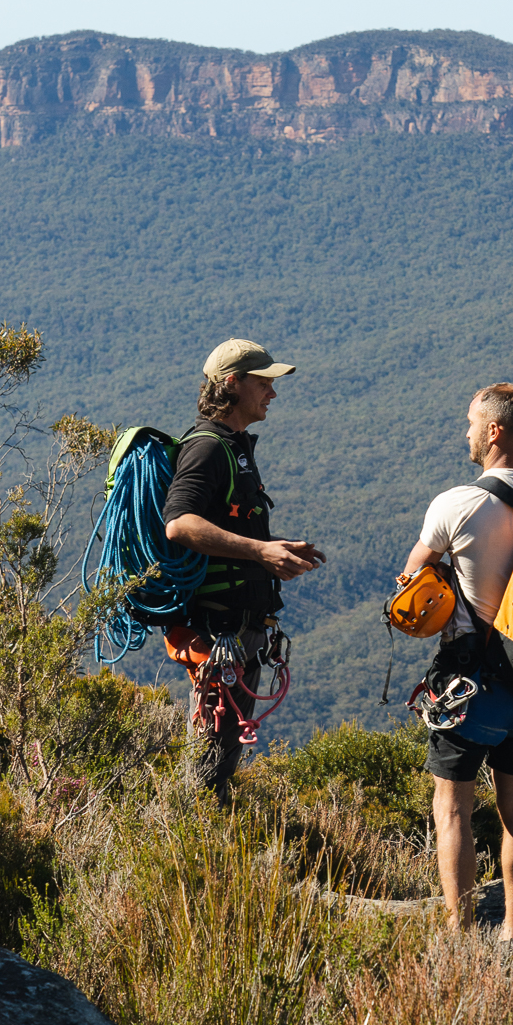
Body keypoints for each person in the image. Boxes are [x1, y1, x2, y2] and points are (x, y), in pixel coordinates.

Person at [398, 383, 513, 939]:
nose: (465, 431)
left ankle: (460, 935)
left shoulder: (458, 504)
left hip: (470, 686)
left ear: (493, 431)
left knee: (454, 809)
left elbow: (409, 582)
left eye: (471, 422)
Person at [163, 337, 324, 796]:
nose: (272, 392)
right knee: (211, 759)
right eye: (264, 382)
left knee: (221, 755)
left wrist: (276, 548)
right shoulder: (208, 448)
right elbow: (180, 523)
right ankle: (198, 849)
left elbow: (224, 526)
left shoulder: (233, 446)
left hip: (240, 630)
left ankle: (205, 841)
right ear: (232, 384)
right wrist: (260, 553)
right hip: (221, 632)